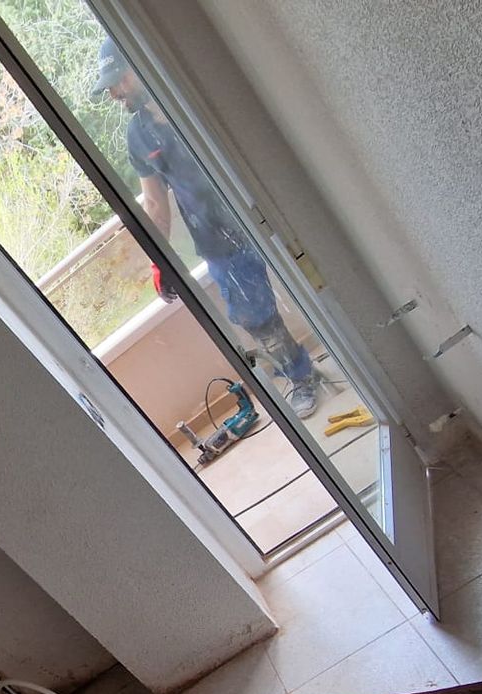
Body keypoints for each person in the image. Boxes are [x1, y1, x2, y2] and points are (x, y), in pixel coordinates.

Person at [95, 39, 323, 418]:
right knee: (255, 318)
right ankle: (301, 376)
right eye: (111, 87)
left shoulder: (191, 94)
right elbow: (154, 202)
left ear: (139, 63)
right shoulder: (139, 135)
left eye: (120, 80)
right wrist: (159, 261)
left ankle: (361, 351)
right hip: (218, 241)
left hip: (263, 212)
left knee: (317, 276)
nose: (116, 93)